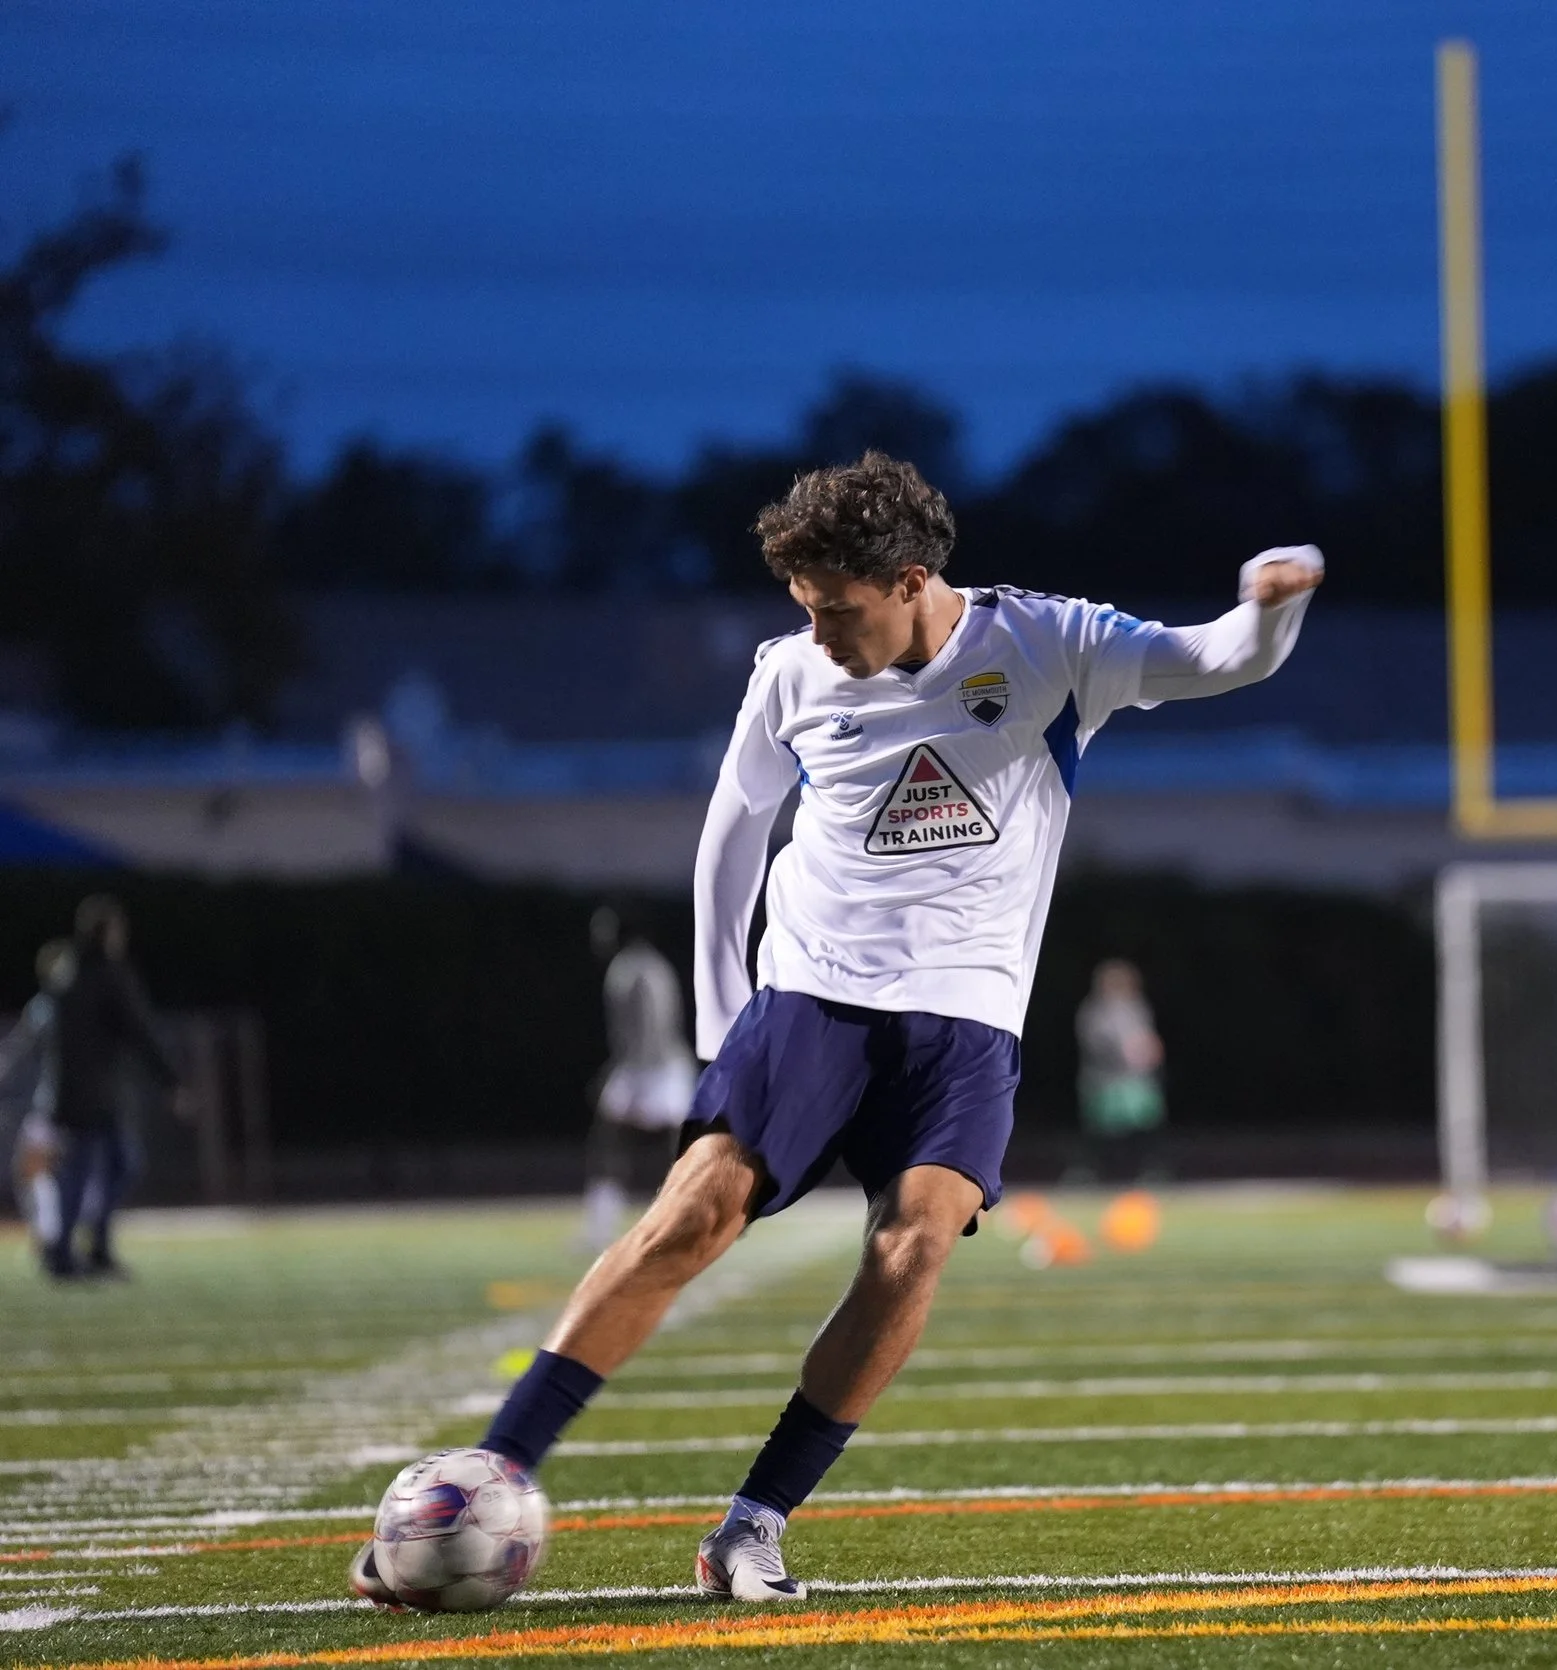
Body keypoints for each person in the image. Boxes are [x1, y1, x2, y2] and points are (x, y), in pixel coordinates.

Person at [351, 450, 1322, 1606]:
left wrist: (1272, 608)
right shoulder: (788, 674)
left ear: (913, 579)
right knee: (691, 1215)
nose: (818, 635)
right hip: (810, 993)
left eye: (837, 611)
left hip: (965, 1016)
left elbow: (1217, 657)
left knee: (911, 1247)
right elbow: (735, 828)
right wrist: (725, 1024)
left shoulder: (1050, 645)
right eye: (803, 610)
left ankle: (751, 1525)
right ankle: (493, 1465)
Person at [43, 895, 182, 1279]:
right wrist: (171, 1081)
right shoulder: (109, 976)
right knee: (115, 1166)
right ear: (107, 933)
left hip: (69, 1092)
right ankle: (79, 1249)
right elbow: (140, 1032)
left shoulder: (67, 975)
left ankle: (73, 1250)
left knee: (86, 1170)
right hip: (96, 1094)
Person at [581, 904, 698, 1251]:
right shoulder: (649, 963)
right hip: (659, 1066)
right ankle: (674, 1221)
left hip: (653, 1068)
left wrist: (631, 1074)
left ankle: (678, 1220)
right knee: (664, 1148)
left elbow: (650, 1023)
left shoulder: (632, 968)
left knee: (615, 1143)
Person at [0, 939, 76, 1262]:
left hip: (55, 1103)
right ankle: (57, 1237)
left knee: (32, 1170)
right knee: (55, 1171)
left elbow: (18, 1051)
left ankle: (51, 1238)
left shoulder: (46, 1006)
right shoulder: (86, 1005)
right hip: (89, 1103)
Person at [1074, 959, 1167, 1182]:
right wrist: (1123, 1051)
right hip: (1105, 1081)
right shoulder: (1094, 1011)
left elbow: (1146, 1037)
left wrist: (1150, 1048)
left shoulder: (1137, 1007)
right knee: (1106, 1132)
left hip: (1137, 1080)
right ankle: (1102, 1173)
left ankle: (1146, 1170)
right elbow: (1095, 1041)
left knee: (1144, 1125)